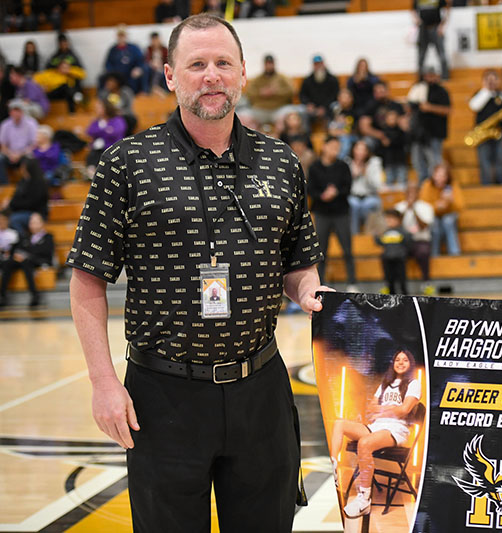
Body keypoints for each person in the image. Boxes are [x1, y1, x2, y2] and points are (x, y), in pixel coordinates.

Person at [67, 14, 326, 532]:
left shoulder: (281, 161)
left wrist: (317, 296)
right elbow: (88, 280)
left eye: (223, 63)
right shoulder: (127, 163)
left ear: (243, 74)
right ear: (170, 76)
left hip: (262, 393)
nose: (212, 75)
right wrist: (102, 383)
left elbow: (299, 267)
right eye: (197, 64)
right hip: (162, 397)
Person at [328, 348, 422, 517]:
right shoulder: (385, 384)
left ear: (410, 364)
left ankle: (364, 500)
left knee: (364, 443)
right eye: (397, 359)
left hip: (395, 429)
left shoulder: (414, 384)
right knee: (339, 424)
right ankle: (333, 468)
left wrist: (384, 410)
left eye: (405, 360)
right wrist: (391, 409)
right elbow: (371, 408)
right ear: (392, 363)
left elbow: (405, 409)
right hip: (376, 426)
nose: (400, 363)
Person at [308, 135, 358, 290]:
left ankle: (352, 282)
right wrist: (322, 195)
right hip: (322, 212)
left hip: (341, 212)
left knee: (347, 249)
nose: (336, 150)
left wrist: (335, 192)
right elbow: (310, 189)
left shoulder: (343, 166)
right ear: (324, 147)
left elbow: (348, 187)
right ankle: (321, 283)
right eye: (333, 147)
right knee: (321, 250)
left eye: (338, 148)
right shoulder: (315, 167)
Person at [468, 69, 502, 185]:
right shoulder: (480, 94)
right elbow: (474, 106)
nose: (491, 82)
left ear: (499, 80)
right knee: (484, 160)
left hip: (501, 133)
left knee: (501, 159)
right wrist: (486, 90)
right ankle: (486, 184)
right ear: (483, 81)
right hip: (483, 134)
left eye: (494, 79)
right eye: (488, 79)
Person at [0, 212, 53, 307]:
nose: (33, 225)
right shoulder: (26, 237)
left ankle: (34, 294)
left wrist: (27, 256)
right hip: (26, 260)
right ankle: (2, 295)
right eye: (31, 222)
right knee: (8, 263)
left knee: (26, 262)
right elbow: (18, 249)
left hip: (40, 261)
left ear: (42, 223)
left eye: (36, 222)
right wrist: (17, 255)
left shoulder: (48, 237)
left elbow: (45, 252)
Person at [407, 67, 450, 183]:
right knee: (417, 161)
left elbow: (448, 110)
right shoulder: (418, 89)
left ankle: (436, 183)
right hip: (418, 133)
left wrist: (430, 108)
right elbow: (410, 107)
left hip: (435, 132)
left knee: (434, 161)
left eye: (432, 75)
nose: (429, 78)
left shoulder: (442, 91)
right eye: (427, 75)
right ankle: (423, 185)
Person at [395, 182, 435, 295]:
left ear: (418, 193)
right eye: (409, 192)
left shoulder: (426, 207)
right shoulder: (399, 207)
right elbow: (395, 226)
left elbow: (424, 226)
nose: (411, 194)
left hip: (420, 240)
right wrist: (405, 210)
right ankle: (397, 285)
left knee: (423, 252)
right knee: (392, 254)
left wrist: (414, 210)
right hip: (403, 241)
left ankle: (426, 282)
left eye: (414, 192)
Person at [242, 54, 297, 129]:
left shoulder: (282, 78)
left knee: (288, 117)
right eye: (267, 64)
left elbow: (291, 91)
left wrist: (276, 92)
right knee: (243, 117)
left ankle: (279, 139)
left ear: (274, 64)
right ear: (264, 65)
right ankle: (253, 139)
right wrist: (261, 93)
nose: (269, 66)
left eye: (270, 63)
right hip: (259, 109)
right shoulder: (257, 79)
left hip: (279, 109)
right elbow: (249, 93)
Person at [420, 163, 463, 256]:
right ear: (433, 175)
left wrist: (451, 202)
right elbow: (423, 207)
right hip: (433, 215)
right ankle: (435, 254)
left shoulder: (452, 186)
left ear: (447, 177)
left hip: (449, 214)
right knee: (435, 225)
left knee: (448, 221)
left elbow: (460, 206)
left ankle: (454, 253)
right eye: (438, 175)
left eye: (443, 175)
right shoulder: (427, 185)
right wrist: (436, 206)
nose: (440, 178)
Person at [2, 157, 49, 234]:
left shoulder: (39, 183)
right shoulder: (23, 181)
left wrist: (11, 203)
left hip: (36, 212)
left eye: (23, 166)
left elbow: (32, 203)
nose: (21, 168)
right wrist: (9, 202)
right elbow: (16, 197)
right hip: (21, 210)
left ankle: (23, 241)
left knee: (15, 219)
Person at [347, 140, 384, 236]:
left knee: (368, 205)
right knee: (353, 204)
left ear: (368, 152)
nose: (360, 152)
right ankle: (354, 234)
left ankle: (368, 234)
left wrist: (366, 174)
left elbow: (378, 185)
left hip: (370, 195)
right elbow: (344, 184)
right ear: (353, 150)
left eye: (363, 150)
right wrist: (352, 175)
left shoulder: (375, 162)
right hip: (353, 196)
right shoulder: (347, 162)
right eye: (358, 149)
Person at [85, 98, 127, 178]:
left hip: (113, 150)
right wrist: (106, 130)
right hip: (97, 150)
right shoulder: (96, 121)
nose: (97, 110)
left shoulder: (117, 120)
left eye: (99, 107)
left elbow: (115, 132)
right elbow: (90, 131)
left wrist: (100, 132)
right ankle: (92, 174)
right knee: (93, 155)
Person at [0, 100, 38, 185]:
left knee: (31, 159)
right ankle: (4, 186)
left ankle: (30, 184)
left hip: (25, 153)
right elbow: (3, 145)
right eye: (14, 110)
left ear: (23, 111)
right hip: (10, 154)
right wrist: (10, 154)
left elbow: (34, 144)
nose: (16, 113)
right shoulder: (5, 125)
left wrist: (19, 154)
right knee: (0, 158)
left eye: (19, 110)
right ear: (10, 112)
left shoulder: (31, 123)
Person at [103, 26, 149, 94]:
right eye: (120, 35)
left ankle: (143, 94)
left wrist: (138, 68)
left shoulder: (134, 48)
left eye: (123, 35)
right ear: (117, 36)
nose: (121, 37)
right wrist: (111, 74)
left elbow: (141, 60)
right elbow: (108, 64)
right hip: (118, 75)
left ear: (126, 36)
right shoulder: (113, 50)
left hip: (131, 74)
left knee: (143, 72)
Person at [375, 209, 411, 295]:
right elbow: (379, 242)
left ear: (398, 220)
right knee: (389, 281)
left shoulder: (402, 231)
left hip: (399, 259)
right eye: (388, 219)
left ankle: (405, 298)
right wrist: (377, 235)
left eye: (392, 219)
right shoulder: (385, 232)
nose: (389, 221)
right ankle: (391, 298)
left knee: (402, 281)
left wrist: (403, 253)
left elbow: (408, 242)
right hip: (387, 259)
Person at [413, 0, 449, 80]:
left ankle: (445, 77)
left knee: (441, 54)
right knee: (421, 55)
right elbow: (413, 9)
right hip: (423, 28)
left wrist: (442, 25)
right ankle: (420, 78)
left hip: (436, 27)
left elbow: (446, 8)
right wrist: (416, 20)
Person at [299, 55, 339, 125]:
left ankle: (332, 131)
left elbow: (335, 96)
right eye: (316, 64)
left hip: (328, 108)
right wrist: (308, 104)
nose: (318, 66)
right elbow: (302, 95)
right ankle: (304, 134)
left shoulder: (332, 80)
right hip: (312, 109)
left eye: (320, 64)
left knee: (335, 108)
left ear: (324, 64)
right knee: (302, 112)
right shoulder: (307, 80)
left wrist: (324, 107)